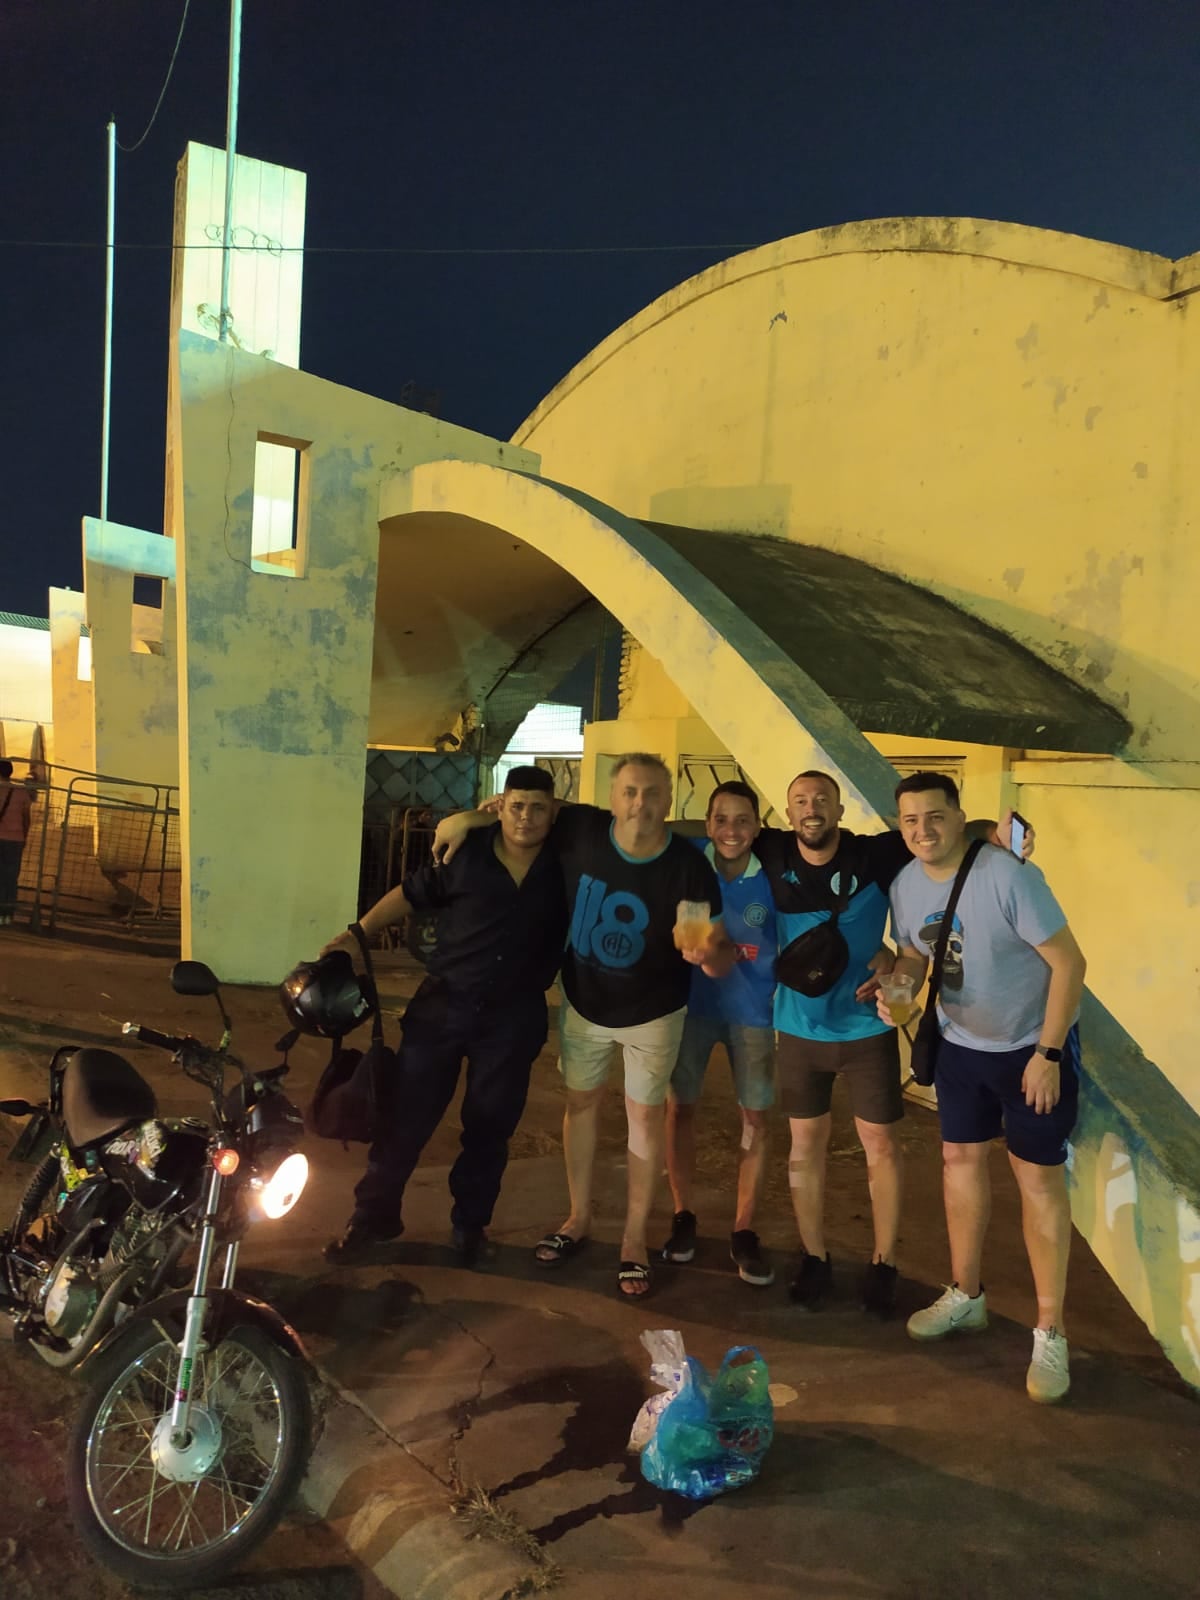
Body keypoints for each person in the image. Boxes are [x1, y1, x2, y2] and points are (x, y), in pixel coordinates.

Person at [434, 753, 732, 1300]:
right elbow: (527, 810)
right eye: (630, 792)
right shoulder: (583, 828)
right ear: (613, 798)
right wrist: (466, 819)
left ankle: (635, 1239)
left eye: (651, 793)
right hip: (584, 1003)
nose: (640, 803)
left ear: (669, 802)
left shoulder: (689, 867)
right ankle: (578, 1218)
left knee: (644, 1119)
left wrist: (709, 954)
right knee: (581, 1107)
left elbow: (710, 953)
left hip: (654, 1012)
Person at [752, 770, 1025, 1316]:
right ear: (787, 814)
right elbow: (710, 832)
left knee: (881, 1148)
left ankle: (883, 1262)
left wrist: (1002, 831)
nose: (812, 809)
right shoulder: (771, 850)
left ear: (838, 810)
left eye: (823, 800)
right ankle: (814, 1256)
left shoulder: (874, 856)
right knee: (805, 1149)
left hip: (868, 1027)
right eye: (801, 801)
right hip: (798, 1028)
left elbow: (943, 830)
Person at [879, 771, 1086, 1404]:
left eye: (935, 817)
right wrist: (905, 986)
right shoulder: (906, 885)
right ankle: (966, 1295)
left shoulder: (1006, 873)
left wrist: (1049, 1052)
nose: (923, 831)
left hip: (1029, 1051)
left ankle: (1050, 1332)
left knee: (1037, 1180)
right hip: (962, 1050)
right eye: (910, 821)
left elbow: (1069, 963)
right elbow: (916, 950)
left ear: (959, 815)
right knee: (958, 1163)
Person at [322, 766, 567, 1266]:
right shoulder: (467, 853)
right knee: (405, 1117)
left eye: (538, 807)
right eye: (517, 805)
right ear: (502, 805)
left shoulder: (566, 861)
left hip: (513, 1017)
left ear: (553, 810)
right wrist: (358, 933)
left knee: (489, 1127)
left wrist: (469, 816)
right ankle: (372, 1217)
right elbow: (410, 895)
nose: (526, 817)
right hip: (443, 1006)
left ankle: (469, 1228)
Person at [662, 781, 778, 1287]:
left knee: (754, 1117)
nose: (731, 830)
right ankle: (683, 1215)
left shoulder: (773, 874)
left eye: (743, 820)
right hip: (689, 1009)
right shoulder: (689, 859)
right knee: (679, 1108)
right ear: (707, 824)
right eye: (721, 820)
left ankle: (743, 1229)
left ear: (758, 826)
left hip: (753, 1014)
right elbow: (631, 826)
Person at [0, 760, 32, 927]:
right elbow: (27, 818)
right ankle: (8, 915)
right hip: (16, 840)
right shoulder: (21, 791)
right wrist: (24, 837)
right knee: (11, 879)